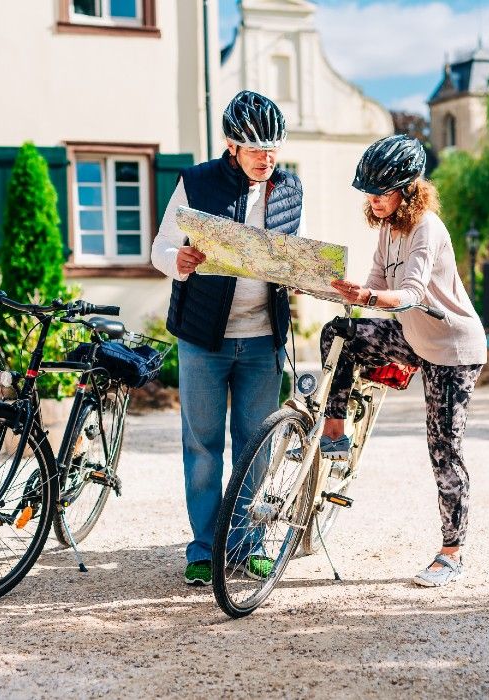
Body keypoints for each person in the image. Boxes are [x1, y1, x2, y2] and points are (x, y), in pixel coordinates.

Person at [151, 90, 305, 586]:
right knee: (202, 447)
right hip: (203, 339)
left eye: (273, 147)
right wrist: (179, 261)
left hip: (264, 340)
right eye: (256, 147)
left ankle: (246, 546)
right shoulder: (195, 182)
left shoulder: (290, 190)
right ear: (231, 145)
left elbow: (288, 254)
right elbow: (160, 246)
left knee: (255, 447)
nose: (267, 158)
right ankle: (202, 548)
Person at [321, 134, 487, 587]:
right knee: (339, 333)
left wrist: (370, 294)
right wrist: (331, 288)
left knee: (443, 449)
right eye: (369, 193)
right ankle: (335, 431)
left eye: (382, 192)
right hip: (413, 334)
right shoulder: (388, 229)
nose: (374, 201)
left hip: (452, 348)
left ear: (408, 190)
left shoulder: (426, 229)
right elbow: (374, 284)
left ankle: (451, 553)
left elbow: (410, 292)